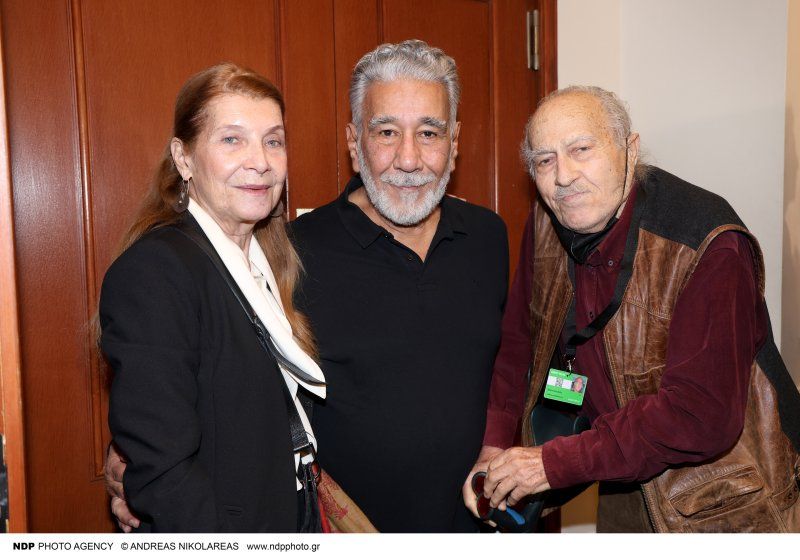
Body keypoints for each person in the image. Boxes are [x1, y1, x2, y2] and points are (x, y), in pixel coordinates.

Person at [107, 41, 508, 533]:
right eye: (386, 132)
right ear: (354, 143)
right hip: (333, 529)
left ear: (455, 140)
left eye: (429, 132)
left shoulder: (489, 239)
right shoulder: (298, 251)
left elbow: (512, 363)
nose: (409, 158)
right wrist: (133, 452)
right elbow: (171, 395)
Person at [464, 85, 800, 532]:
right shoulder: (547, 221)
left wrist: (553, 464)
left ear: (630, 148)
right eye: (544, 160)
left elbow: (701, 415)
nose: (563, 177)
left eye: (581, 149)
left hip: (727, 500)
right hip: (620, 480)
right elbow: (517, 345)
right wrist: (494, 447)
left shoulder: (706, 240)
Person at [100, 63, 326, 532]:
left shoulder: (270, 260)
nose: (260, 161)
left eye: (273, 141)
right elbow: (164, 470)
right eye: (232, 139)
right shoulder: (155, 271)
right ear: (183, 159)